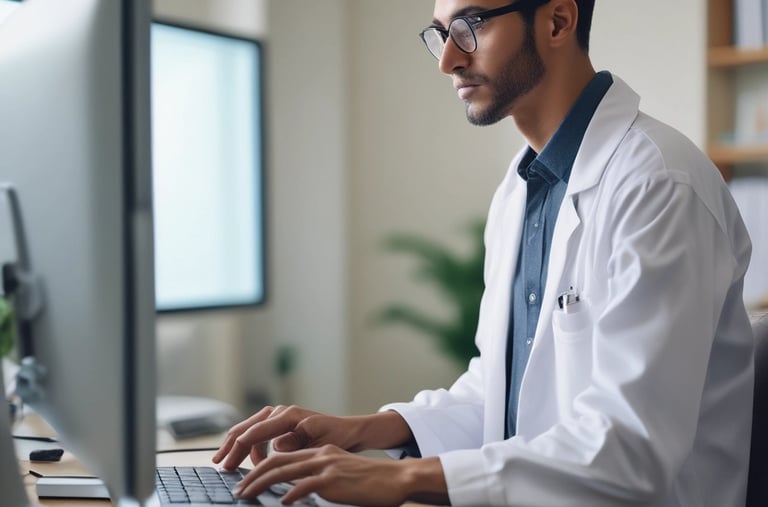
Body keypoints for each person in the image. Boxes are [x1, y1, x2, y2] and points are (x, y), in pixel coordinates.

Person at [213, 0, 755, 505]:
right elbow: (500, 397)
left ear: (558, 23)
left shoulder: (660, 185)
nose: (448, 59)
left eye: (471, 26)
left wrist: (400, 476)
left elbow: (631, 448)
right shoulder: (521, 189)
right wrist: (366, 429)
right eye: (441, 34)